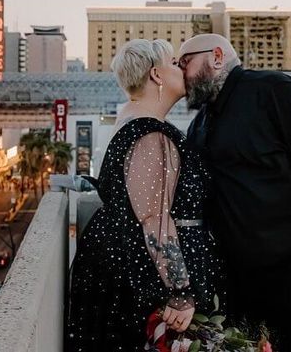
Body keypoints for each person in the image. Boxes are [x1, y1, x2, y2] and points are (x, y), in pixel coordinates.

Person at [179, 33, 291, 352]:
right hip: (240, 275)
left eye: (185, 62)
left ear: (217, 56)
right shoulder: (200, 122)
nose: (180, 73)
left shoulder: (275, 91)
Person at [67, 39, 224, 351]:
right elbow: (154, 218)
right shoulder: (150, 134)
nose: (182, 68)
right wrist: (180, 292)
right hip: (143, 278)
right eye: (174, 63)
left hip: (127, 268)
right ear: (156, 74)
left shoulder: (133, 120)